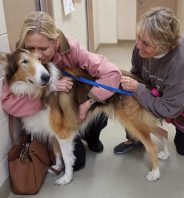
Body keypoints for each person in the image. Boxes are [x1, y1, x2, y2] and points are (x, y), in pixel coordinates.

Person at [1, 11, 121, 170]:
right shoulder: (20, 59)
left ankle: (91, 136)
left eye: (43, 48)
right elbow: (8, 102)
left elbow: (112, 73)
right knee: (77, 163)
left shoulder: (73, 49)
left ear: (56, 42)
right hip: (59, 115)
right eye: (31, 47)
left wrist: (88, 103)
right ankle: (75, 134)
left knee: (100, 113)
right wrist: (49, 90)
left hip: (77, 102)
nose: (36, 54)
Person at [113, 7, 184, 156]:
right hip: (159, 90)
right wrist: (136, 89)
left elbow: (170, 109)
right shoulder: (140, 47)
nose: (138, 46)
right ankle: (135, 139)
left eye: (146, 43)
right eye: (138, 37)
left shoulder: (182, 61)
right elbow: (136, 75)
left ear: (165, 46)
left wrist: (139, 89)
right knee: (129, 95)